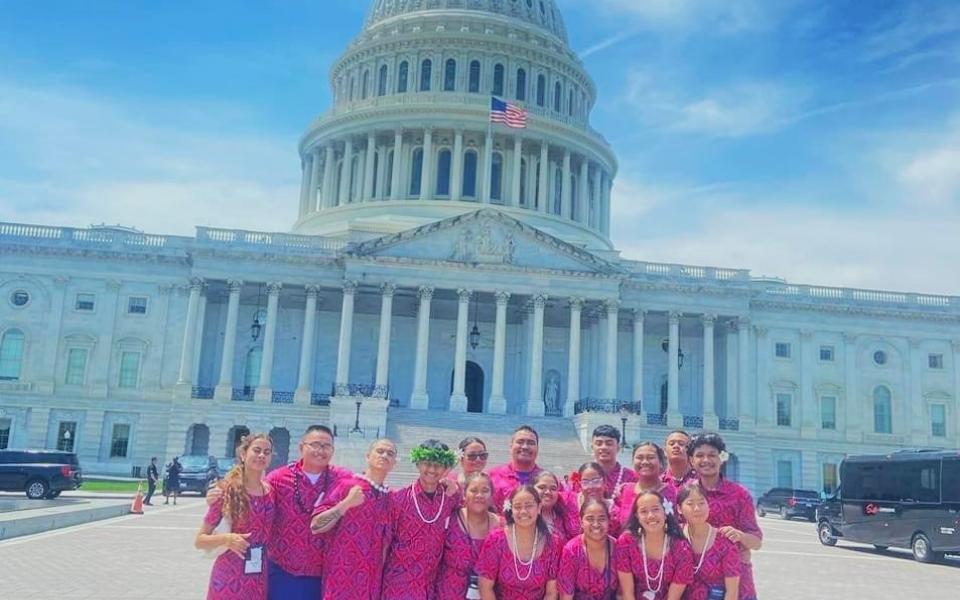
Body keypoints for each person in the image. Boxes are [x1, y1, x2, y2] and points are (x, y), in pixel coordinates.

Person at [207, 425, 351, 599]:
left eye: (326, 446)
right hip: (282, 572)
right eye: (315, 444)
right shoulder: (278, 479)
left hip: (323, 575)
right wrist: (219, 494)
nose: (321, 450)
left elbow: (369, 488)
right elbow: (252, 496)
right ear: (301, 447)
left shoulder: (343, 479)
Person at [311, 438, 397, 600]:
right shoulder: (347, 485)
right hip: (341, 580)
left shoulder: (391, 498)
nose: (384, 455)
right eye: (380, 451)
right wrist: (346, 504)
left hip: (371, 583)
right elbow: (315, 526)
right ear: (367, 456)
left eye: (390, 453)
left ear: (393, 464)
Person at [194, 433, 275, 600]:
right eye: (257, 450)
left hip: (258, 575)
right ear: (243, 455)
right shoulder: (227, 491)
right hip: (229, 576)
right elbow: (199, 540)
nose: (262, 455)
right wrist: (227, 539)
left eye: (267, 452)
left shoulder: (270, 492)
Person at [382, 439, 460, 600]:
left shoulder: (451, 498)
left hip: (431, 586)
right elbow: (384, 543)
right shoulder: (399, 498)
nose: (432, 469)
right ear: (418, 464)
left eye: (439, 464)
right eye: (427, 463)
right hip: (399, 585)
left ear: (446, 468)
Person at [687, 433, 762, 600]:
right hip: (695, 582)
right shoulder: (685, 495)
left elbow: (756, 542)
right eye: (699, 455)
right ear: (691, 461)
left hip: (736, 582)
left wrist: (740, 536)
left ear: (722, 458)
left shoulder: (739, 495)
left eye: (712, 455)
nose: (706, 460)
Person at [476, 485, 559, 600]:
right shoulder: (496, 539)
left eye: (529, 506)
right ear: (511, 509)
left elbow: (551, 593)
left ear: (539, 507)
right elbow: (485, 587)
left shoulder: (552, 542)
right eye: (518, 506)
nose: (523, 511)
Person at [616, 490, 693, 600]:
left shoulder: (682, 549)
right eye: (644, 511)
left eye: (655, 509)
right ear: (637, 516)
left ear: (665, 513)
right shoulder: (626, 542)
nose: (651, 516)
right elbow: (628, 594)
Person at [436, 472, 501, 600]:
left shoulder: (502, 527)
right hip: (448, 594)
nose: (479, 495)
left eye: (485, 490)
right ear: (464, 495)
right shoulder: (450, 520)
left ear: (492, 496)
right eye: (473, 490)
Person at [678, 483, 740, 600]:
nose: (697, 508)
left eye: (702, 503)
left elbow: (732, 591)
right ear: (679, 509)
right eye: (690, 504)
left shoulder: (724, 540)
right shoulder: (674, 535)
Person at [557, 499, 619, 600]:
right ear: (581, 522)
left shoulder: (618, 548)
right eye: (590, 519)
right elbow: (566, 596)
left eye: (602, 519)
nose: (596, 524)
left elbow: (623, 593)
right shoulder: (571, 550)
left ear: (609, 521)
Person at [615, 442, 677, 531]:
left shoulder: (673, 492)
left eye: (651, 457)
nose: (645, 462)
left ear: (661, 462)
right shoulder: (624, 491)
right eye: (639, 458)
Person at [489, 425, 543, 511]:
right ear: (511, 446)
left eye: (531, 443)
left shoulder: (546, 480)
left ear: (537, 448)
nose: (525, 447)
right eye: (520, 442)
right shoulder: (492, 477)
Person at [561, 462, 615, 539]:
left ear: (604, 481)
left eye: (596, 481)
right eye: (585, 482)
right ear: (579, 484)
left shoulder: (614, 510)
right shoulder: (567, 500)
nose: (591, 487)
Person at [589, 425, 638, 499]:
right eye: (599, 444)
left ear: (618, 447)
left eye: (609, 444)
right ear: (592, 447)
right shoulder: (583, 476)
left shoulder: (631, 477)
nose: (603, 447)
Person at [534, 471, 574, 543]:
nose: (548, 492)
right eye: (542, 487)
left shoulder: (564, 518)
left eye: (553, 488)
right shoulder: (526, 519)